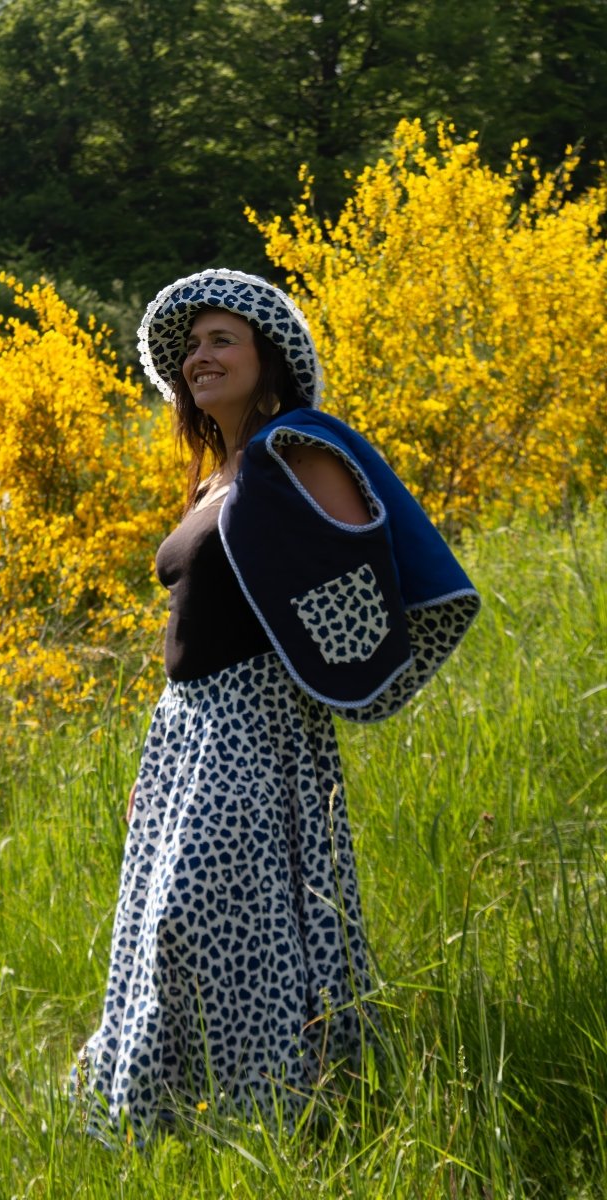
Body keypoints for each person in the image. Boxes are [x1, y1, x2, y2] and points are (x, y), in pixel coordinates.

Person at [71, 268, 479, 1142]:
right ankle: (172, 1117)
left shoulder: (297, 449)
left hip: (259, 728)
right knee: (163, 926)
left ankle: (273, 1111)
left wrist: (315, 689)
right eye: (192, 346)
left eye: (223, 340)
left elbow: (356, 573)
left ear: (269, 357)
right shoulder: (216, 476)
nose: (201, 356)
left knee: (205, 915)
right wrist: (158, 768)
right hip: (184, 731)